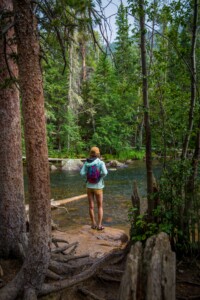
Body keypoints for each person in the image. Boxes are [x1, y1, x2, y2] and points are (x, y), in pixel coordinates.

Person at [80, 146, 108, 230]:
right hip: (98, 187)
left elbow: (81, 173)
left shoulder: (86, 162)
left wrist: (88, 176)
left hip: (89, 186)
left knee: (91, 206)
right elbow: (105, 173)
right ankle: (99, 225)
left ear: (90, 153)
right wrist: (100, 177)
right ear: (98, 154)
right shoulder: (100, 162)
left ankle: (93, 224)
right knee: (100, 206)